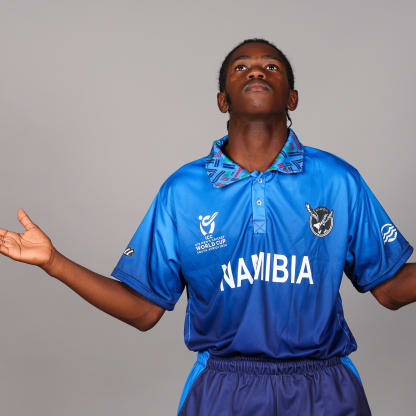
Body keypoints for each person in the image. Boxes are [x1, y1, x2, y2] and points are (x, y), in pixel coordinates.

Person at [1, 38, 415, 415]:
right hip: (223, 390)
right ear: (222, 100)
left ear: (292, 97)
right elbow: (144, 309)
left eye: (271, 66)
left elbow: (391, 289)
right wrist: (54, 262)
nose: (256, 71)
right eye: (241, 67)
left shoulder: (337, 180)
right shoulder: (184, 190)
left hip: (324, 388)